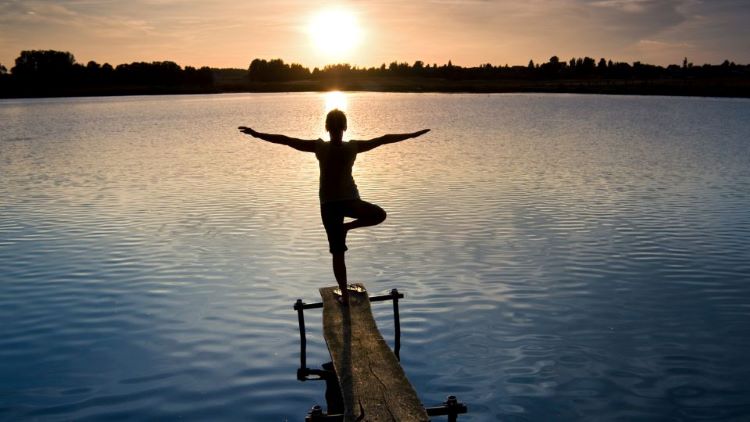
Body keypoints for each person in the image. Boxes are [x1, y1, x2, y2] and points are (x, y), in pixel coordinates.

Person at [239, 109, 430, 304]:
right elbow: (383, 139)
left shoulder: (325, 147)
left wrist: (257, 134)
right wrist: (411, 135)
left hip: (336, 204)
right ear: (341, 128)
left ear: (329, 127)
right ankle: (345, 288)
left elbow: (286, 139)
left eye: (336, 128)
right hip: (340, 204)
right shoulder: (346, 147)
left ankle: (345, 240)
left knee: (355, 236)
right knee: (353, 238)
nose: (337, 131)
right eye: (337, 128)